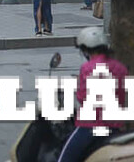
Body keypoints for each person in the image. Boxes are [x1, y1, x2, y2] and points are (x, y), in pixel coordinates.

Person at [55, 26, 129, 162]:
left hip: (89, 126)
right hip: (114, 126)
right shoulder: (120, 68)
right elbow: (122, 96)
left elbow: (82, 97)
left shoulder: (87, 68)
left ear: (85, 49)